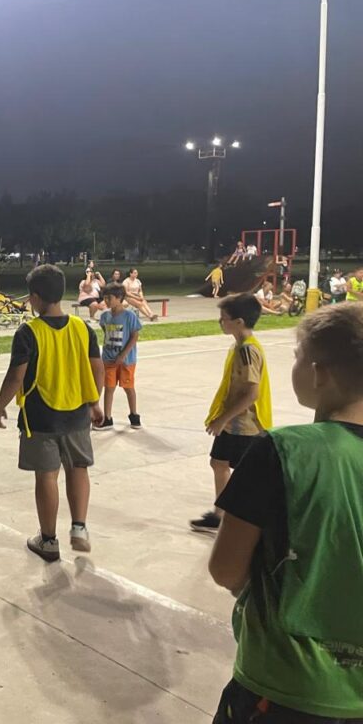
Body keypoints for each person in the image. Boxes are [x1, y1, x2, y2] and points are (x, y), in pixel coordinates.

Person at [208, 302, 363, 723]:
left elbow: (226, 569)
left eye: (297, 357)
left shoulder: (282, 450)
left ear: (319, 372)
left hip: (284, 685)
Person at [0, 265, 105, 562]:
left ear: (35, 297)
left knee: (47, 476)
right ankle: (79, 528)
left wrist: (0, 405)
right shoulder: (82, 328)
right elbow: (97, 369)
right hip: (78, 413)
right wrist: (94, 401)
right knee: (78, 468)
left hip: (40, 416)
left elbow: (16, 376)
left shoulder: (28, 332)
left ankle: (48, 540)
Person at [190, 293, 272, 534]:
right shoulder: (239, 347)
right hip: (233, 422)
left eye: (223, 318)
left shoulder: (247, 351)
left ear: (239, 322)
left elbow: (251, 393)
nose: (220, 322)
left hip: (244, 424)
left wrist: (222, 419)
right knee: (219, 463)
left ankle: (250, 520)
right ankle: (220, 514)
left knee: (246, 474)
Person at [95, 283, 142, 430]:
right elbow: (106, 332)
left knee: (128, 387)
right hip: (109, 359)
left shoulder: (129, 316)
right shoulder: (105, 316)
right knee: (109, 387)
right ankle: (107, 418)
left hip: (126, 360)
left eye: (109, 298)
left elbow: (134, 336)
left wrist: (123, 354)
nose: (106, 301)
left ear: (119, 297)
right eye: (104, 298)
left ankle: (134, 415)